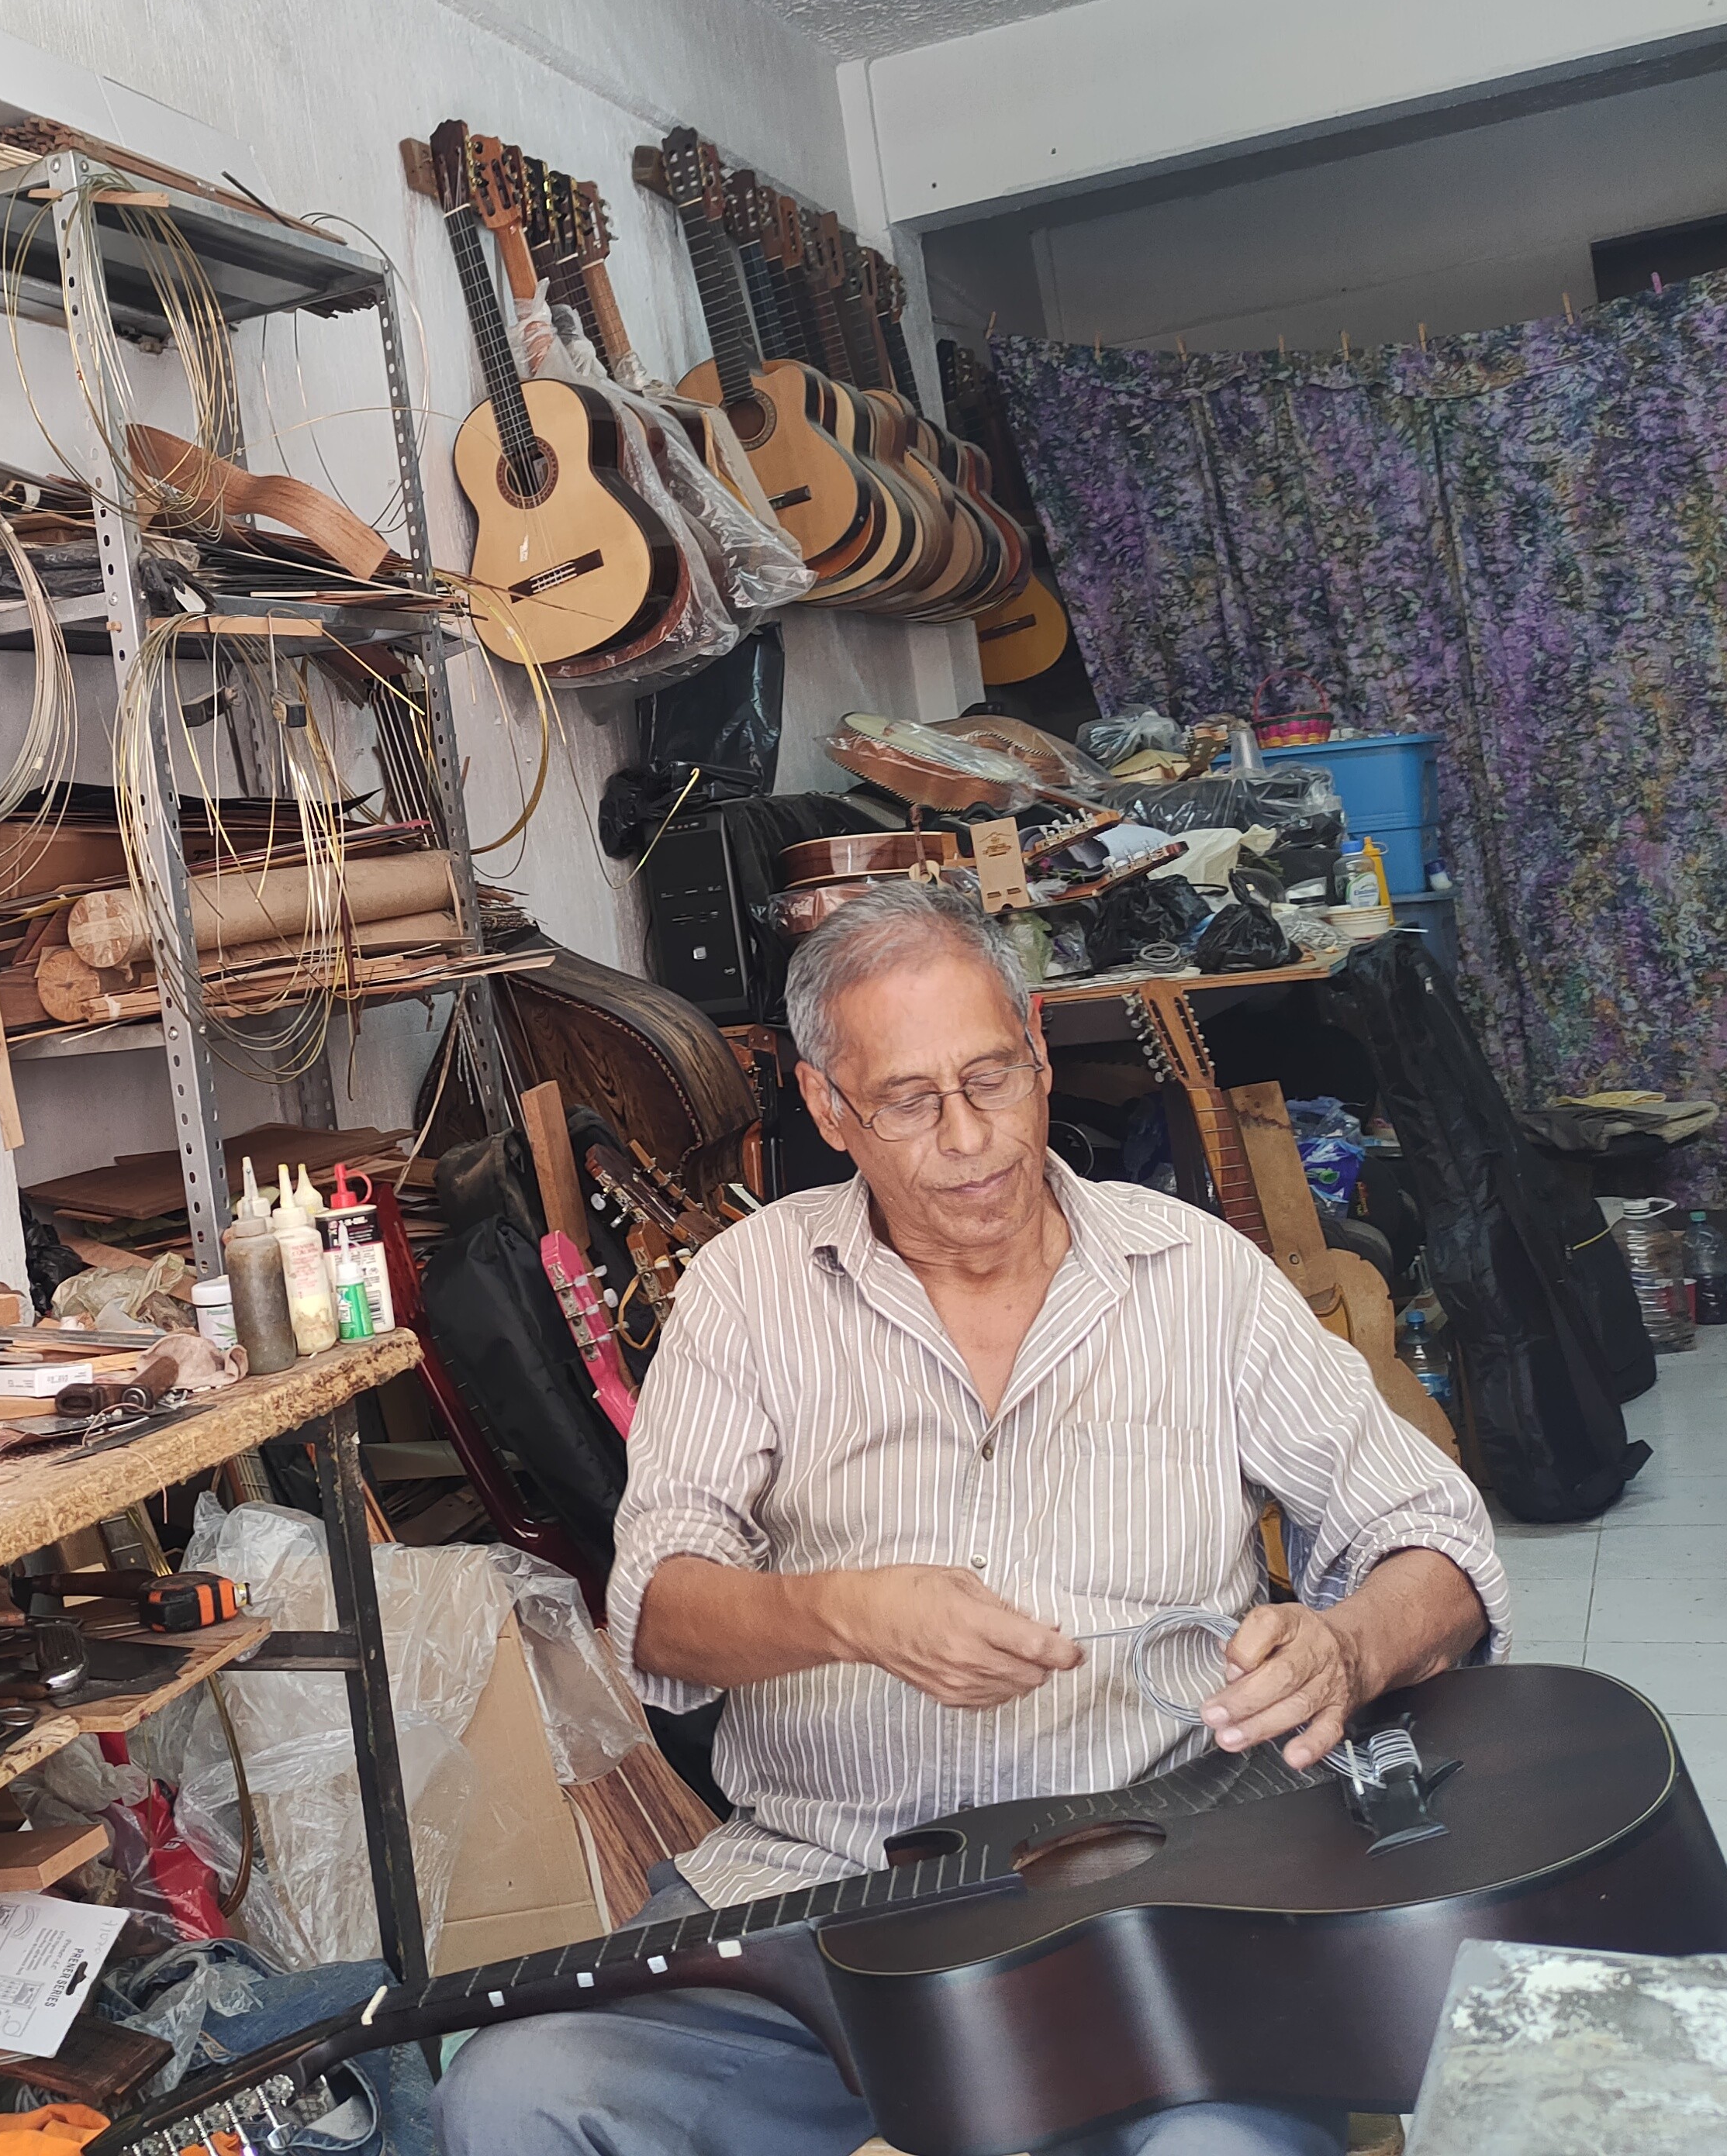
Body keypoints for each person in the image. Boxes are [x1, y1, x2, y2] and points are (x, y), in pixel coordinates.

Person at [437, 883, 1508, 2156]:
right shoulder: (747, 1290)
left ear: (1040, 1051)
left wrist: (1345, 1647)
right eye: (905, 1099)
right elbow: (656, 1612)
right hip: (821, 1904)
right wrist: (842, 1610)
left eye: (991, 1077)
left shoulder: (1196, 1278)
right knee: (514, 2094)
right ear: (830, 1110)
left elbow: (1439, 1540)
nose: (967, 1137)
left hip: (1152, 1908)